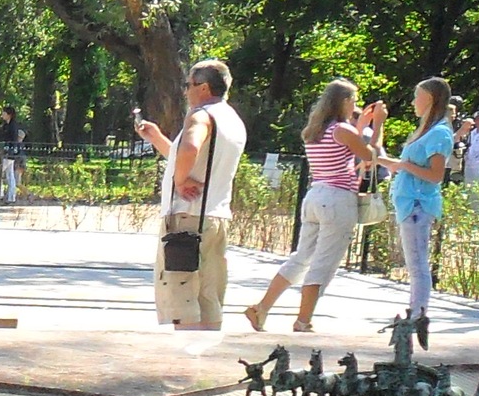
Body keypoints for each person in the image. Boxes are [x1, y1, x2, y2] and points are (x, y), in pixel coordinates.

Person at [245, 78, 375, 335]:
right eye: (354, 100)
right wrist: (376, 124)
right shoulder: (342, 130)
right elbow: (369, 155)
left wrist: (360, 125)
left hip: (316, 195)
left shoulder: (315, 131)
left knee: (301, 257)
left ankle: (262, 307)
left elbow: (347, 148)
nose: (355, 105)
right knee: (323, 264)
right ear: (344, 102)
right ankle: (303, 320)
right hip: (338, 199)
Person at [136, 58, 245, 331]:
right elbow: (187, 158)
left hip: (187, 219)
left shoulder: (200, 116)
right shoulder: (232, 120)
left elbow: (189, 150)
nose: (186, 91)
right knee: (209, 299)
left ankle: (186, 356)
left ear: (204, 87)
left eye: (188, 85)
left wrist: (180, 181)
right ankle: (207, 355)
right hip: (216, 217)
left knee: (183, 302)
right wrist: (157, 138)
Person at [376, 77, 454, 339]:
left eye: (417, 96)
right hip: (410, 204)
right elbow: (408, 166)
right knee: (414, 264)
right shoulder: (426, 130)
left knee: (418, 264)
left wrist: (403, 165)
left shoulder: (439, 133)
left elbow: (435, 175)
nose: (413, 102)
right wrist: (385, 162)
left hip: (418, 205)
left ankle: (418, 315)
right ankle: (416, 312)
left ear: (430, 98)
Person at [0, 105, 27, 203]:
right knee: (9, 174)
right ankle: (11, 197)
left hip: (9, 153)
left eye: (4, 113)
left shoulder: (12, 126)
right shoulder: (6, 125)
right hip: (8, 152)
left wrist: (9, 149)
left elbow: (13, 140)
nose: (2, 115)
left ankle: (0, 194)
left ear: (9, 114)